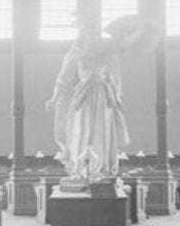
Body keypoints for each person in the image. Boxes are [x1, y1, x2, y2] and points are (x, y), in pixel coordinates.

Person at [45, 13, 155, 182]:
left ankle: (102, 168)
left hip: (104, 99)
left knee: (102, 133)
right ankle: (82, 169)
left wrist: (141, 32)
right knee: (83, 132)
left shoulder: (107, 50)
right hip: (83, 100)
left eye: (95, 33)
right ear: (82, 35)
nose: (93, 37)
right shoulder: (76, 54)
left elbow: (124, 45)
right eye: (89, 33)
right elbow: (63, 79)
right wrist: (53, 99)